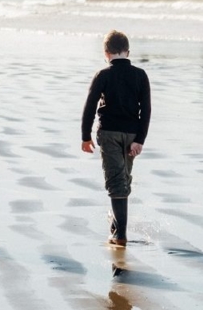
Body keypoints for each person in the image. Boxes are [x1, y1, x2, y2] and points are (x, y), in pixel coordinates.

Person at [80, 30, 152, 246]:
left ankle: (120, 235)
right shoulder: (140, 75)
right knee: (123, 178)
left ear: (106, 52)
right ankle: (116, 227)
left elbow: (90, 106)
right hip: (132, 134)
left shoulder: (103, 75)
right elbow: (146, 111)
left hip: (109, 133)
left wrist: (85, 136)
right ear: (127, 51)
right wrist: (140, 139)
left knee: (116, 181)